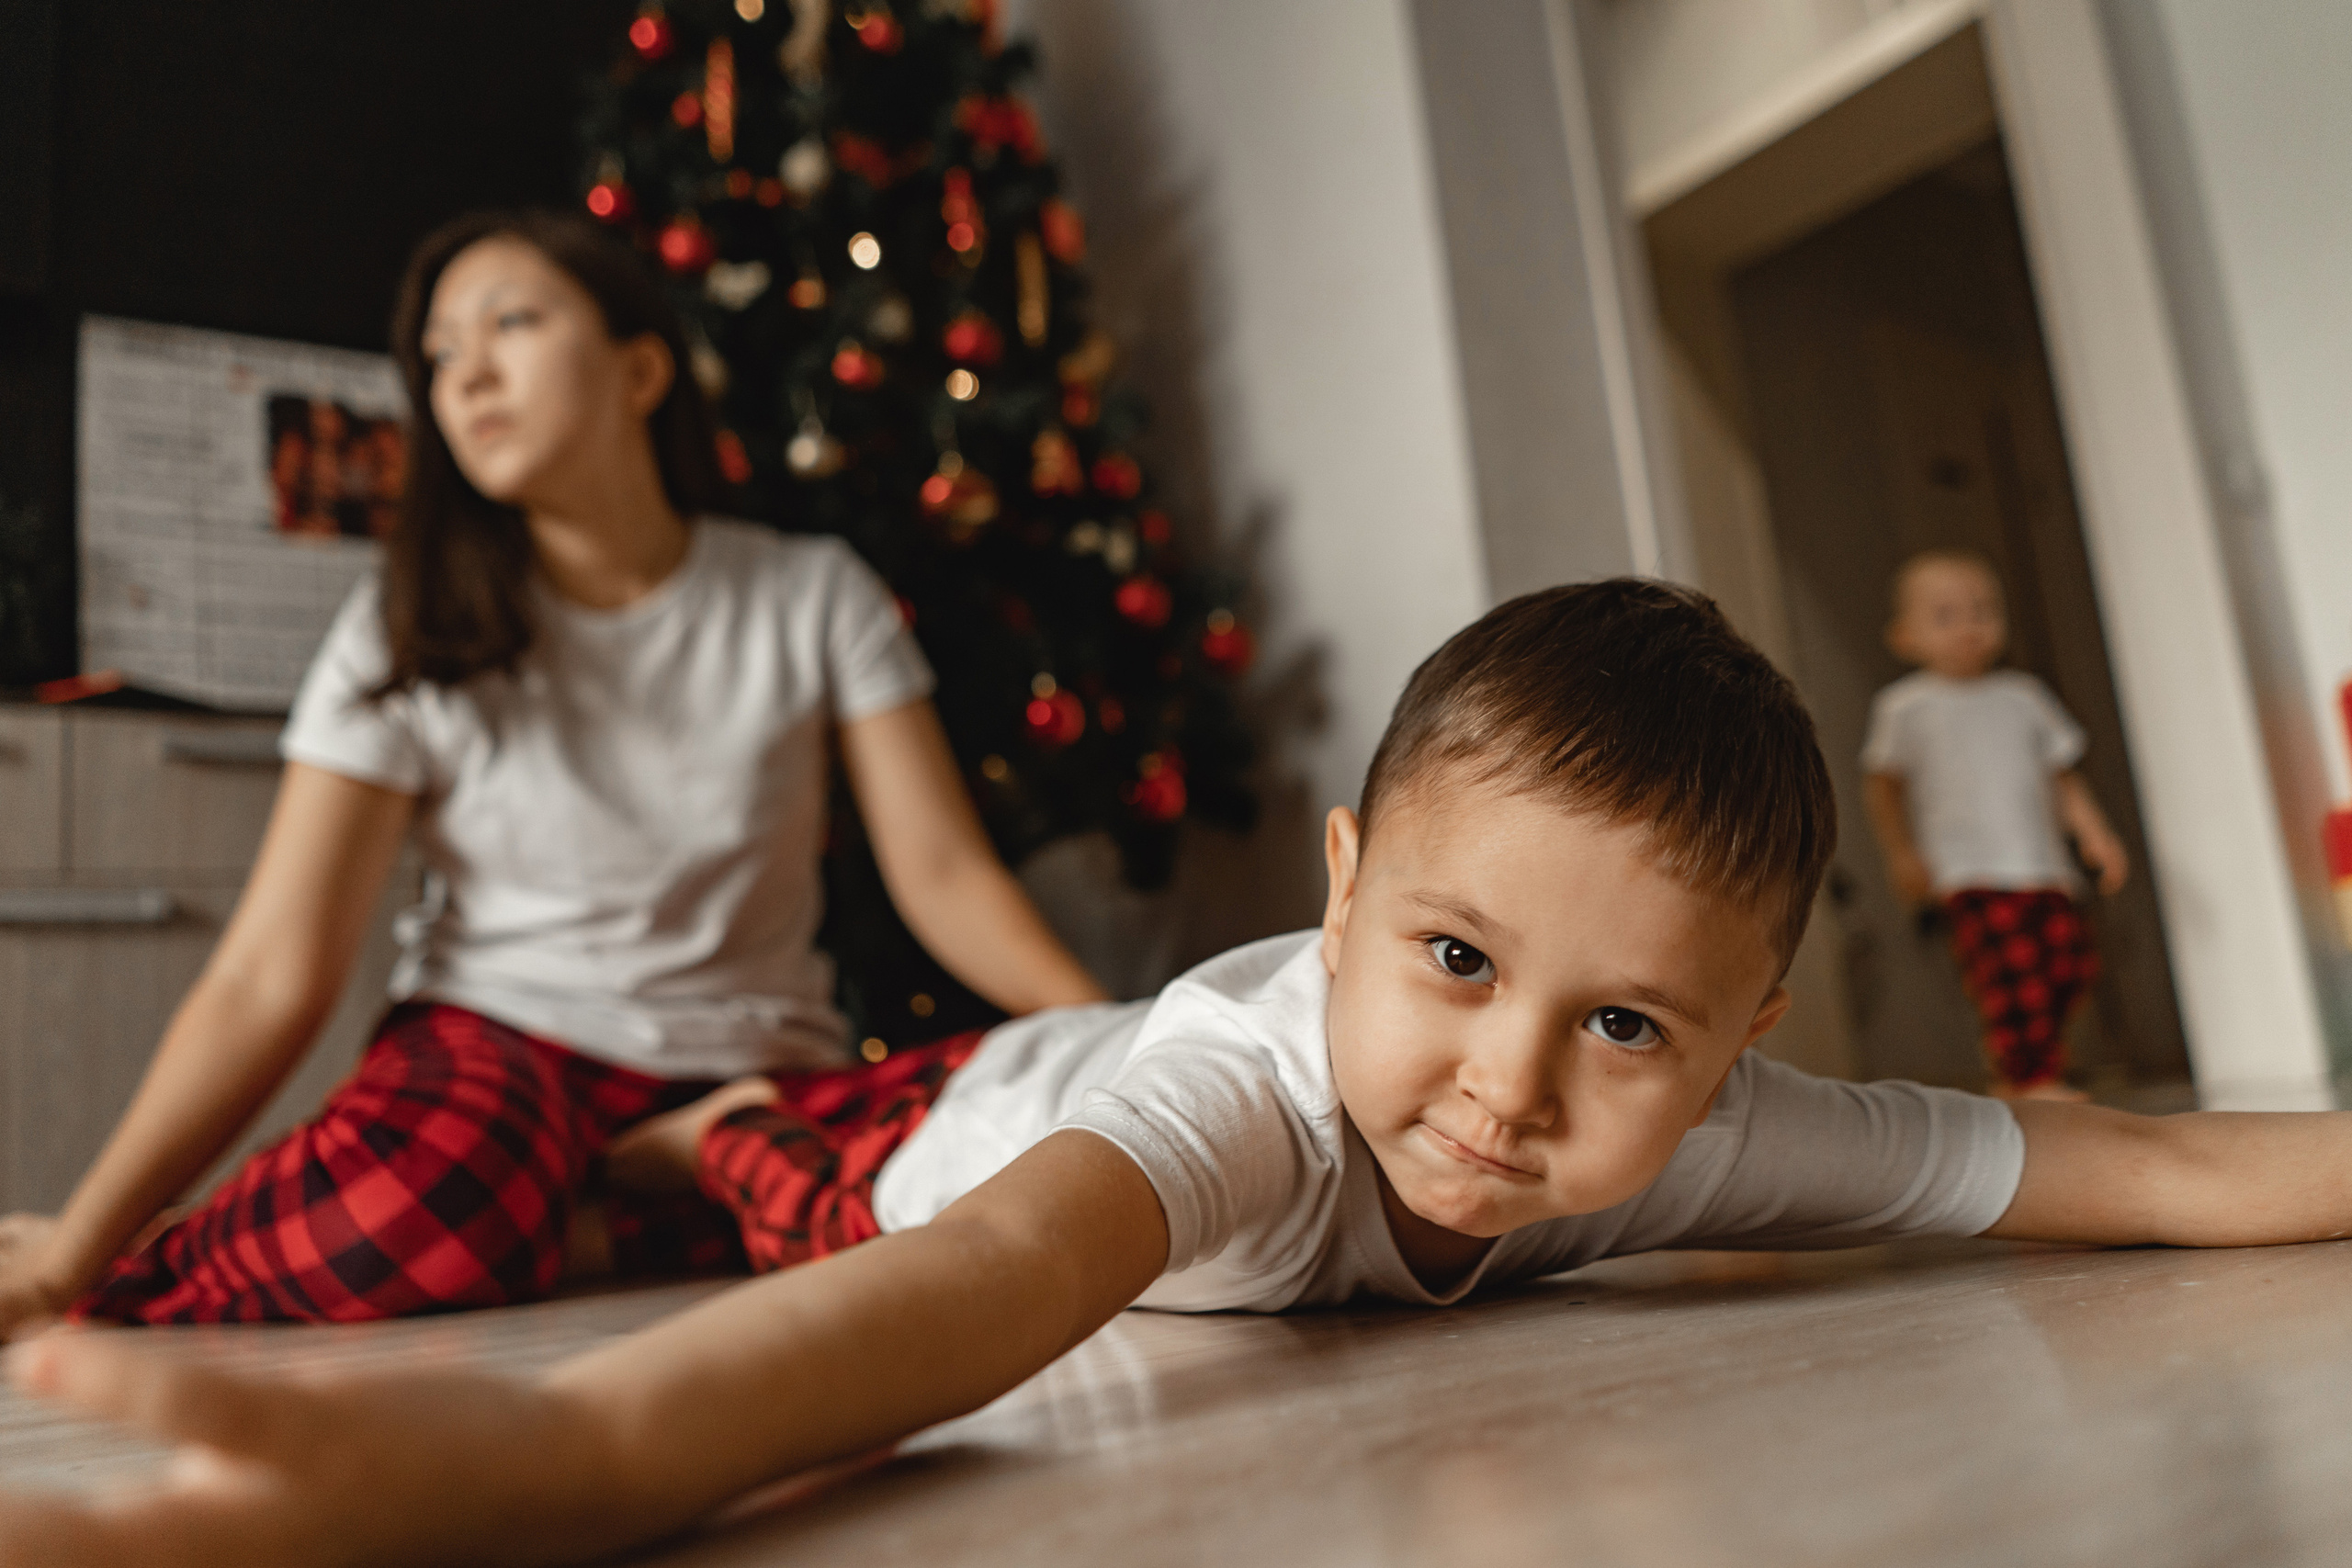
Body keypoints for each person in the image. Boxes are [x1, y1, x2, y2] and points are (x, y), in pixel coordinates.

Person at [9, 577, 2352, 1568]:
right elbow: (956, 1303)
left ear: (1741, 1033)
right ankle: (699, 1115)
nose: (1506, 1081)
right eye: (1445, 954)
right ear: (1335, 892)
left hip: (1028, 1060)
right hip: (943, 1136)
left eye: (1621, 1023)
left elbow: (2124, 1162)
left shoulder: (1711, 1126)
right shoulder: (1246, 1095)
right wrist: (562, 1443)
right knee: (770, 1174)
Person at [0, 209, 1106, 1336]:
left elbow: (945, 878)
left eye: (510, 323)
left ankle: (641, 1184)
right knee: (414, 1204)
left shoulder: (812, 594)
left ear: (639, 369)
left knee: (1010, 1135)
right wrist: (73, 1255)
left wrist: (1119, 1051)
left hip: (757, 1071)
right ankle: (650, 1203)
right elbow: (271, 970)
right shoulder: (403, 627)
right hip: (498, 1052)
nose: (467, 373)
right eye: (438, 355)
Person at [1860, 550, 2130, 1100]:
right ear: (1903, 636)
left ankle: (2022, 1068)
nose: (1969, 627)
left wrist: (2095, 835)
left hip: (2042, 863)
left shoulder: (2024, 697)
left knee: (2070, 963)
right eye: (1945, 615)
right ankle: (2033, 1077)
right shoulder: (1905, 707)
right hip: (1969, 868)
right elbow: (1883, 787)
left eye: (1983, 610)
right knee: (2012, 977)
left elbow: (2062, 778)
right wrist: (1901, 852)